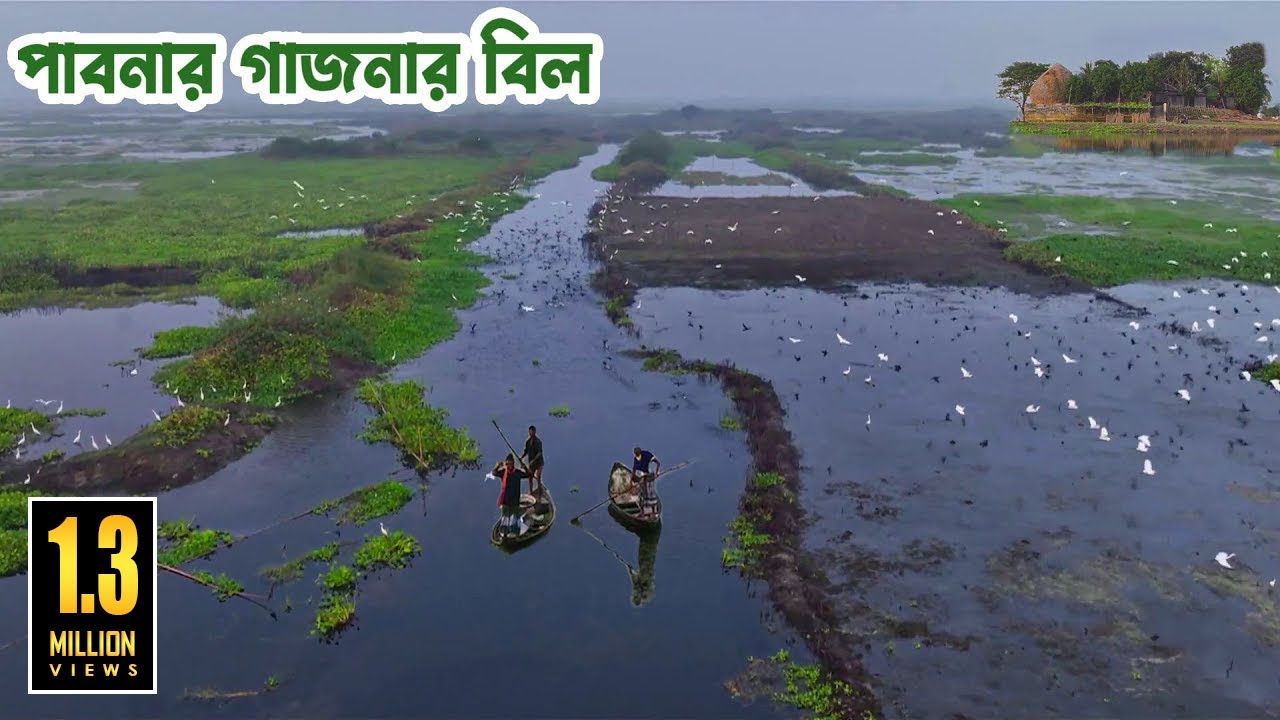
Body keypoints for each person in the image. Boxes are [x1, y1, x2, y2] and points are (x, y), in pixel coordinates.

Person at [493, 454, 529, 537]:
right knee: (505, 518)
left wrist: (524, 467)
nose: (509, 466)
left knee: (515, 518)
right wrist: (497, 466)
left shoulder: (517, 472)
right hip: (506, 500)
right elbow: (494, 473)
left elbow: (528, 474)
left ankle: (515, 535)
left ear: (513, 463)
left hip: (515, 500)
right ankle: (504, 535)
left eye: (510, 464)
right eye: (507, 464)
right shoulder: (503, 472)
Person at [631, 446, 661, 519]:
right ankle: (642, 512)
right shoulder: (635, 459)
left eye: (637, 454)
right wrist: (632, 482)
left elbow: (658, 462)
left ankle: (653, 512)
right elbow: (634, 471)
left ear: (640, 453)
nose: (636, 456)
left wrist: (657, 473)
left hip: (650, 477)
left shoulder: (647, 455)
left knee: (651, 494)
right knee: (641, 495)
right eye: (636, 455)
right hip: (642, 478)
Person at [520, 425, 545, 497]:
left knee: (538, 476)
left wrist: (533, 460)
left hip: (539, 463)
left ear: (535, 432)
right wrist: (521, 457)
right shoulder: (527, 442)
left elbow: (539, 453)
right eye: (529, 433)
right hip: (531, 464)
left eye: (532, 432)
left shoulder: (538, 442)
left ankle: (540, 493)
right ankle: (531, 492)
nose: (530, 434)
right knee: (530, 477)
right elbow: (526, 451)